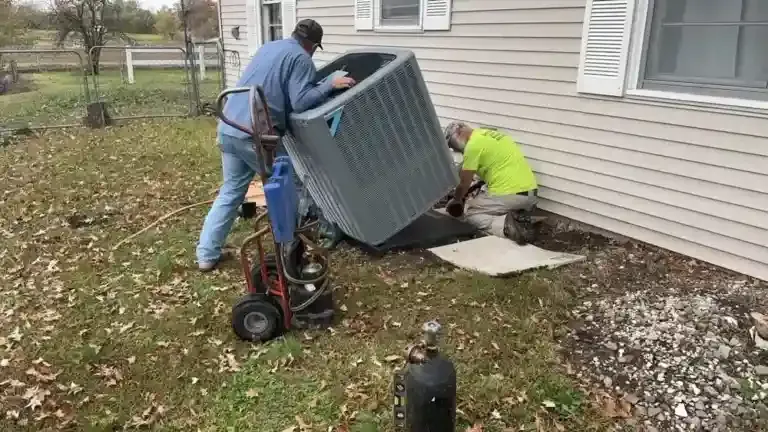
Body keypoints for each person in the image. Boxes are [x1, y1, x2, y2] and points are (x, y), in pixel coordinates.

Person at [196, 19, 356, 272]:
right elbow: (301, 102)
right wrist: (329, 85)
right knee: (290, 184)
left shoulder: (269, 47)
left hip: (230, 125)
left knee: (230, 192)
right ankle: (292, 246)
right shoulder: (302, 58)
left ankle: (206, 254)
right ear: (313, 46)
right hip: (255, 133)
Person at [443, 121, 538, 244]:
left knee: (471, 213)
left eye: (452, 145)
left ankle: (510, 227)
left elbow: (464, 182)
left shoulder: (472, 146)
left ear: (458, 135)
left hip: (510, 194)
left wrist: (456, 200)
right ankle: (519, 216)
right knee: (482, 200)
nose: (454, 149)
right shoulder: (490, 135)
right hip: (530, 194)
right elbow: (486, 173)